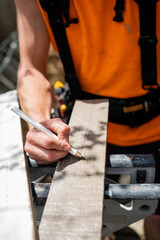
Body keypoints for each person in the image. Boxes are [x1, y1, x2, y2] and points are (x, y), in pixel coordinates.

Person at [14, 0, 160, 239]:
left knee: (157, 220)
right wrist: (39, 124)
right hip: (84, 126)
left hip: (157, 120)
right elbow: (30, 67)